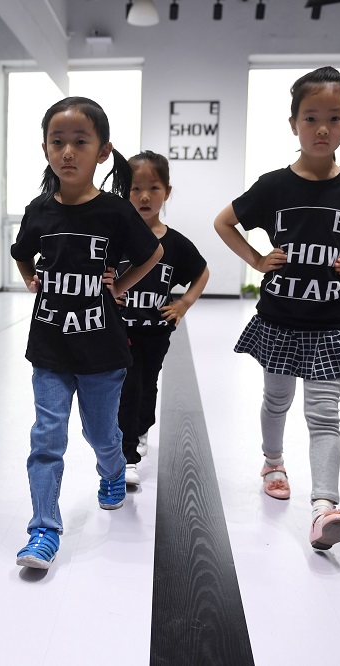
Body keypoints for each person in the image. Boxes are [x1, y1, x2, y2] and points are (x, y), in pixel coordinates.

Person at [214, 66, 340, 550]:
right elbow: (224, 222)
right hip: (279, 318)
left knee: (324, 413)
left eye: (333, 118)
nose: (322, 127)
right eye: (311, 117)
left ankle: (324, 506)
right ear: (294, 123)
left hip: (329, 323)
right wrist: (257, 259)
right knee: (277, 400)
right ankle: (273, 461)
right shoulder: (274, 186)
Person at [10, 97, 163, 569]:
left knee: (101, 434)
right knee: (47, 438)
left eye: (80, 142)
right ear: (45, 149)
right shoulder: (39, 210)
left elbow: (151, 254)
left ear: (103, 151)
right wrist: (28, 278)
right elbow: (22, 252)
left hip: (102, 350)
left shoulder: (115, 212)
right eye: (58, 143)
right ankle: (43, 530)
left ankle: (113, 472)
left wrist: (119, 285)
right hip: (51, 348)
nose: (68, 152)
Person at [115, 151, 209, 486]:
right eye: (136, 188)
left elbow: (201, 272)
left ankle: (139, 429)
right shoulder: (117, 238)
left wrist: (183, 303)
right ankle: (126, 455)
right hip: (118, 331)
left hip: (155, 333)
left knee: (145, 386)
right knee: (127, 386)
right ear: (124, 191)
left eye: (153, 188)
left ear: (166, 192)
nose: (144, 196)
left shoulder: (176, 243)